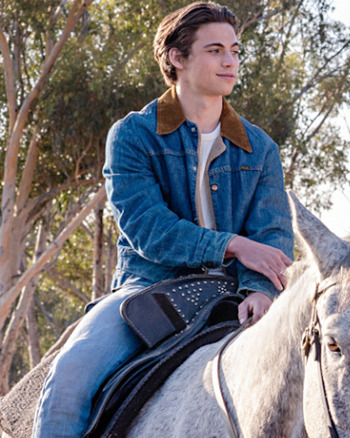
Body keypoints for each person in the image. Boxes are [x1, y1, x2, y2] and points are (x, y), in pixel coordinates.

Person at [32, 3, 294, 436]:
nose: (230, 61)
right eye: (215, 50)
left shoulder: (260, 148)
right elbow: (147, 230)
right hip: (150, 288)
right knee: (68, 384)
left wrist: (262, 289)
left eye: (235, 49)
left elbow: (273, 234)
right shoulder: (133, 134)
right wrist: (232, 245)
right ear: (178, 57)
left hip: (238, 289)